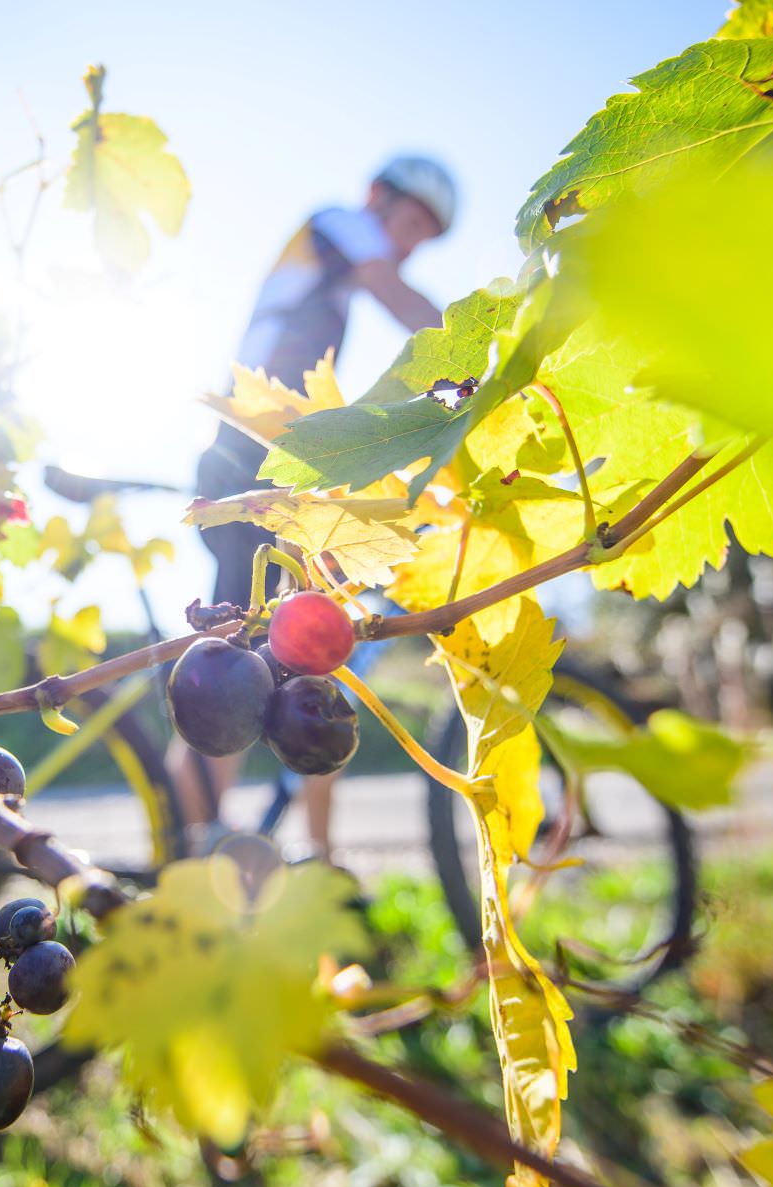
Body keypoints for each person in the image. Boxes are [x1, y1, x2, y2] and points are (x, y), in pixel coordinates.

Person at [175, 154, 457, 858]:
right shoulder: (336, 223)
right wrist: (486, 348)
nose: (410, 241)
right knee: (242, 663)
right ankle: (197, 848)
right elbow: (394, 294)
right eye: (411, 221)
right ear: (376, 199)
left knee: (308, 661)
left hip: (280, 460)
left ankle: (316, 857)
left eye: (427, 234)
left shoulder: (335, 275)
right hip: (252, 457)